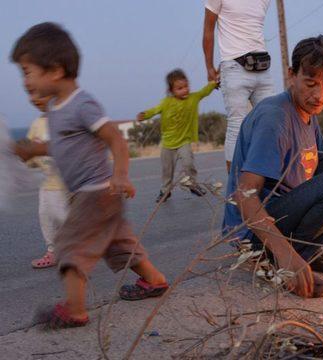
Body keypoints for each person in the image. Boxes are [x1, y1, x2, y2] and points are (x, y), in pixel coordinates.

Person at [11, 22, 168, 329]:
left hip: (96, 191)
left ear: (55, 70)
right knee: (119, 245)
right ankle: (155, 280)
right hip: (99, 194)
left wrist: (121, 174)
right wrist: (34, 150)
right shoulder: (56, 109)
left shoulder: (83, 103)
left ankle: (74, 309)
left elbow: (115, 139)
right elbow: (64, 146)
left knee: (70, 244)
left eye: (28, 72)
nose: (25, 81)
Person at [223, 35, 323, 298]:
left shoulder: (307, 112)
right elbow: (245, 196)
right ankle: (283, 263)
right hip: (252, 235)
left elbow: (312, 159)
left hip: (284, 210)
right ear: (291, 75)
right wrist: (286, 256)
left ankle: (305, 252)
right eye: (310, 83)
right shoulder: (275, 118)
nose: (319, 95)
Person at [202, 0, 275, 171]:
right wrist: (209, 68)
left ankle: (268, 180)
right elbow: (208, 31)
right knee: (237, 125)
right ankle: (234, 188)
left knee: (272, 123)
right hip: (234, 67)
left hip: (262, 67)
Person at [137, 69, 216, 203]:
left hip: (184, 141)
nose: (185, 90)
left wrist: (214, 83)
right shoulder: (166, 102)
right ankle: (165, 191)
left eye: (186, 86)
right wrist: (144, 115)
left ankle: (192, 184)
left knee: (188, 163)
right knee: (167, 170)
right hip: (168, 143)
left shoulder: (193, 98)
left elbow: (205, 91)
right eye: (180, 88)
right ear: (171, 90)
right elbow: (154, 110)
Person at [26, 92, 69, 268]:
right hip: (46, 182)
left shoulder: (64, 121)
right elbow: (30, 151)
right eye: (33, 96)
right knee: (46, 217)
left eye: (41, 95)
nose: (36, 99)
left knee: (64, 217)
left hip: (65, 183)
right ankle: (52, 251)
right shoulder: (37, 124)